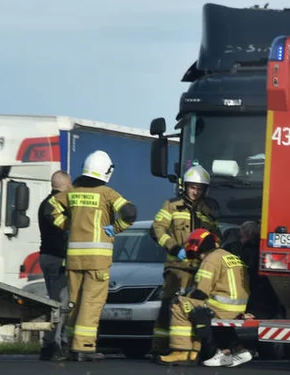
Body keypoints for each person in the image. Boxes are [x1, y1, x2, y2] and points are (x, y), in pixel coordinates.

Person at [55, 151, 137, 362]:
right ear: (106, 171)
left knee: (74, 302)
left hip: (74, 259)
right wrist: (116, 228)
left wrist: (68, 225)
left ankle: (71, 344)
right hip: (97, 261)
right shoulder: (106, 193)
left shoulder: (72, 192)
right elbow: (130, 212)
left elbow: (50, 208)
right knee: (91, 303)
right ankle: (84, 347)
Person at [156, 228, 253, 367]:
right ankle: (199, 351)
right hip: (238, 307)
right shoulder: (228, 256)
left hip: (221, 307)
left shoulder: (210, 260)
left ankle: (181, 351)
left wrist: (185, 296)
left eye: (196, 255)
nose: (197, 258)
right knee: (191, 305)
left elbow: (201, 292)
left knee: (179, 304)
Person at [149, 164, 220, 356]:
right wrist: (174, 248)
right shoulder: (171, 205)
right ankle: (160, 346)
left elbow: (215, 236)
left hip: (201, 269)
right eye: (192, 187)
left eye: (199, 189)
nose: (195, 192)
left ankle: (194, 349)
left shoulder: (208, 210)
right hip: (177, 267)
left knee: (197, 309)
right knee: (168, 305)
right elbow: (158, 229)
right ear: (184, 187)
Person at [37, 170, 71, 361]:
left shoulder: (45, 203)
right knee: (61, 304)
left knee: (55, 302)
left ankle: (50, 343)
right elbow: (66, 227)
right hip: (57, 259)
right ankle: (55, 345)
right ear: (66, 185)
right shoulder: (54, 204)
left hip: (47, 257)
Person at [224, 220, 278, 319]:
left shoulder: (247, 250)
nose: (240, 240)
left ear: (248, 236)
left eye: (242, 236)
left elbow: (246, 272)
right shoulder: (263, 249)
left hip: (254, 294)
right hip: (266, 293)